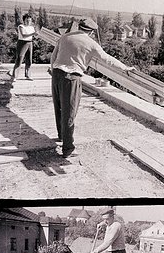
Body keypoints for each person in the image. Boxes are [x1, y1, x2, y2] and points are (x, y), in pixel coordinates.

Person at [50, 17, 135, 158]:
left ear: (79, 27)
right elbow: (107, 59)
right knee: (69, 112)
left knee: (58, 107)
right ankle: (68, 148)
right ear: (91, 32)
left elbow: (54, 55)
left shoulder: (65, 37)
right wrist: (125, 68)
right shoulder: (91, 43)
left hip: (57, 74)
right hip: (71, 78)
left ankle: (61, 136)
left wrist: (53, 70)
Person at [8, 13, 37, 82]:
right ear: (24, 20)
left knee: (29, 60)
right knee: (19, 59)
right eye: (27, 20)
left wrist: (37, 34)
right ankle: (14, 76)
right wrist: (33, 33)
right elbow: (23, 35)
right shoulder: (21, 26)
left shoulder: (32, 27)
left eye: (30, 20)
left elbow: (34, 36)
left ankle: (28, 75)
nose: (28, 22)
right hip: (22, 43)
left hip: (30, 43)